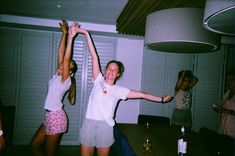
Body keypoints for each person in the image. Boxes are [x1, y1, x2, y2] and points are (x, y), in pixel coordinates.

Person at [75, 24, 173, 156]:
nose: (111, 71)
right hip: (89, 124)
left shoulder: (119, 91)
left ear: (118, 74)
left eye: (115, 70)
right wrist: (85, 33)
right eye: (109, 68)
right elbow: (94, 56)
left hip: (106, 127)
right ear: (105, 70)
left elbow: (143, 95)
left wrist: (161, 99)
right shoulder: (98, 81)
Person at [30, 20, 78, 156]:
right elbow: (61, 53)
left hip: (56, 117)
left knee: (49, 153)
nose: (62, 65)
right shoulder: (57, 76)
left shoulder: (66, 80)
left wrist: (71, 38)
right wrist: (64, 33)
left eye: (65, 66)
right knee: (33, 146)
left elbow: (67, 59)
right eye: (62, 64)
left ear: (70, 72)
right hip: (49, 116)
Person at [213, 70, 235, 139]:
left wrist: (227, 111)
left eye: (231, 79)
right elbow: (222, 105)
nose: (229, 82)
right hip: (222, 128)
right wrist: (218, 108)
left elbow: (227, 110)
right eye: (227, 80)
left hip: (232, 130)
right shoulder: (227, 93)